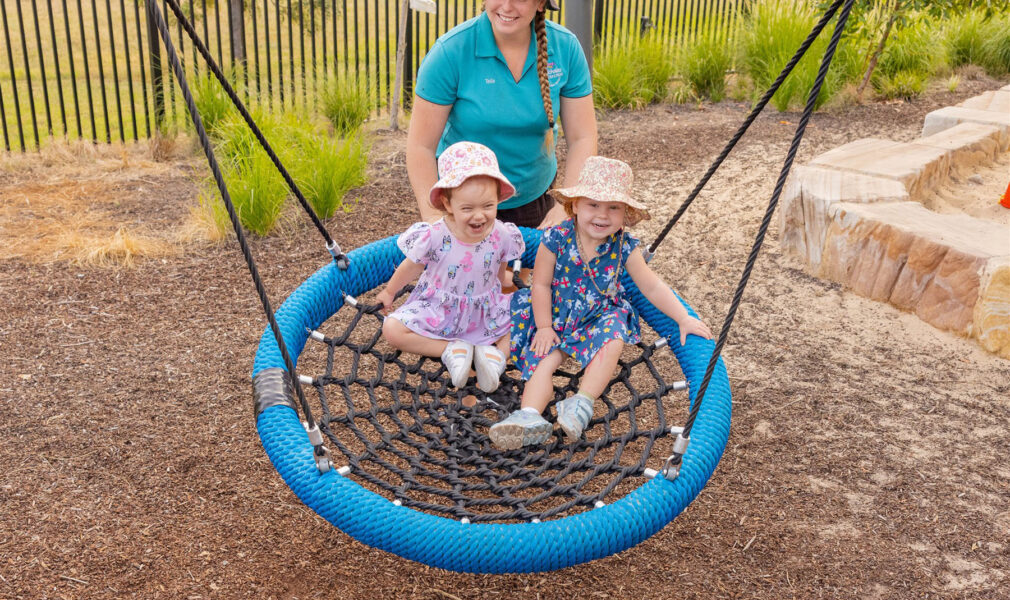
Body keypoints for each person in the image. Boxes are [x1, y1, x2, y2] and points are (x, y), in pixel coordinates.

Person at [489, 156, 714, 450]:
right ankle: (529, 416)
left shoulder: (624, 246)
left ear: (625, 213)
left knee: (613, 339)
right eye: (593, 204)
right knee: (542, 363)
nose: (602, 215)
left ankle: (581, 403)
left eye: (613, 208)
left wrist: (682, 318)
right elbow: (541, 284)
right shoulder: (555, 237)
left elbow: (652, 286)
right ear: (575, 205)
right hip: (556, 313)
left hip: (599, 315)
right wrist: (544, 327)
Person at [406, 0, 597, 230]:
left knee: (526, 267)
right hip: (465, 205)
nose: (507, 6)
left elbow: (582, 137)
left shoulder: (566, 48)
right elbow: (421, 147)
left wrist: (565, 205)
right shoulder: (450, 52)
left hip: (532, 197)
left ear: (540, 4)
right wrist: (434, 219)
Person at [376, 141, 525, 393]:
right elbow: (411, 266)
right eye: (467, 208)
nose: (479, 216)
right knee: (391, 329)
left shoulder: (502, 233)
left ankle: (496, 357)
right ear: (447, 204)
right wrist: (390, 292)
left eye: (488, 206)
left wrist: (513, 289)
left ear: (498, 199)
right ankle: (451, 350)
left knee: (531, 312)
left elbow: (499, 276)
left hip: (484, 310)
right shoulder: (434, 235)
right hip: (439, 309)